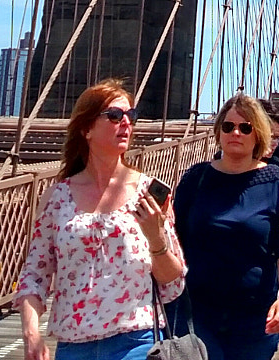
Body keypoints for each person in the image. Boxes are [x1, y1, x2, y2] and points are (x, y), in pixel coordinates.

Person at [16, 81, 185, 360]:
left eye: (131, 116)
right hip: (73, 345)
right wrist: (31, 334)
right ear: (86, 129)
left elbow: (172, 281)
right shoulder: (57, 198)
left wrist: (155, 238)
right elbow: (34, 275)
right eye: (115, 116)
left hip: (136, 342)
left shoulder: (149, 193)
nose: (126, 124)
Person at [172, 92, 279, 360]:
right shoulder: (196, 179)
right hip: (197, 314)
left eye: (245, 127)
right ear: (218, 132)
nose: (236, 133)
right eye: (228, 127)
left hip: (254, 318)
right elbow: (174, 239)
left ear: (258, 134)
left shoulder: (274, 181)